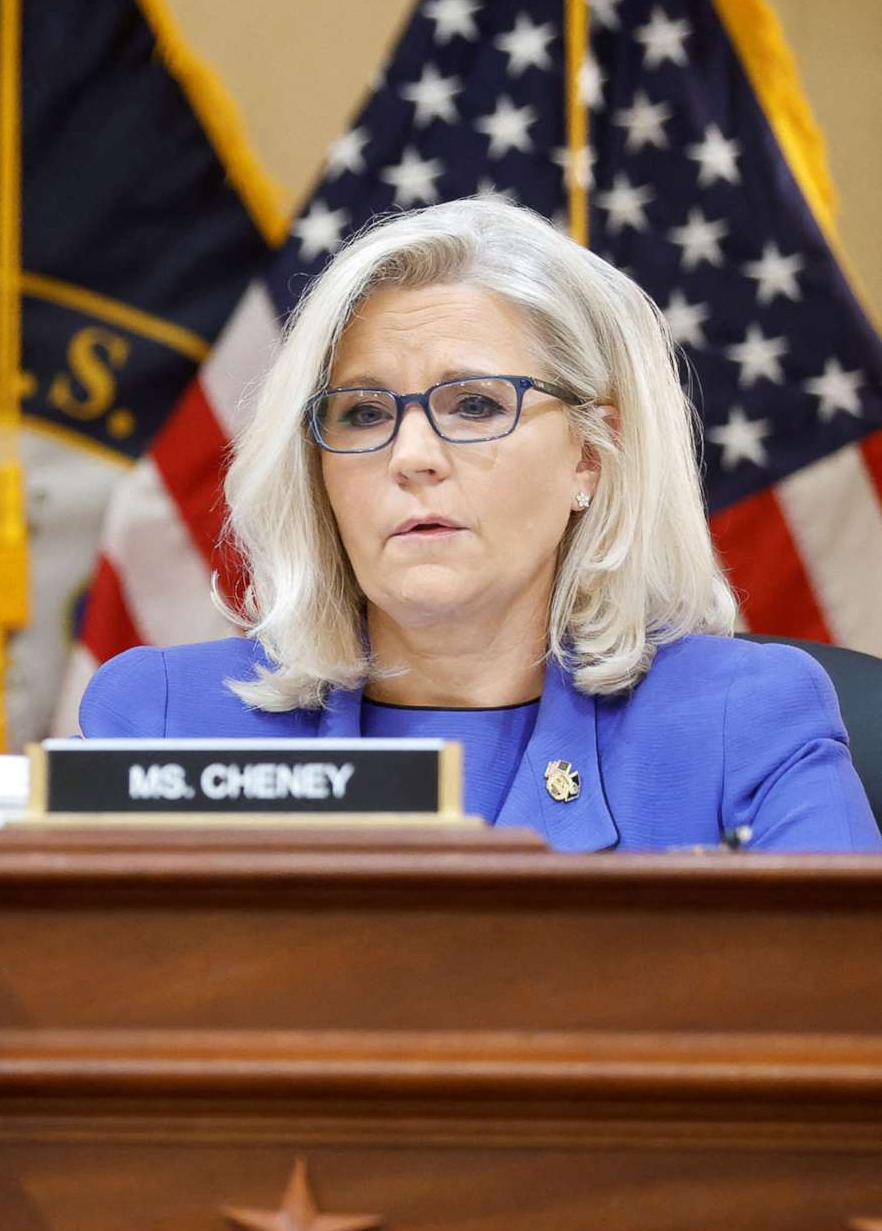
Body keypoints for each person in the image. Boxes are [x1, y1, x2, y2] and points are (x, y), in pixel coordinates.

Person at [79, 197, 877, 851]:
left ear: (592, 456)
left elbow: (839, 1023)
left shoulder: (741, 723)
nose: (412, 455)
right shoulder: (164, 720)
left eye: (475, 405)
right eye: (362, 413)